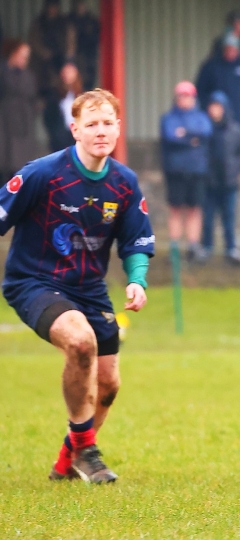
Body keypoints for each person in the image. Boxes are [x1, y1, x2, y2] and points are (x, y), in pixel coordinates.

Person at [0, 88, 155, 483]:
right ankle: (87, 450)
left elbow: (135, 240)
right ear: (75, 130)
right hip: (35, 282)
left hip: (89, 289)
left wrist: (137, 281)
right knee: (80, 342)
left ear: (118, 128)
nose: (100, 131)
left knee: (108, 383)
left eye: (107, 123)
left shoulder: (124, 183)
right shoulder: (42, 174)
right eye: (91, 124)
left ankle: (65, 463)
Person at [159, 81, 212, 260]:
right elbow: (170, 136)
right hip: (175, 171)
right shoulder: (169, 118)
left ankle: (193, 245)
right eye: (181, 96)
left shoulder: (201, 117)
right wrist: (192, 138)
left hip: (197, 171)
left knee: (194, 209)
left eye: (188, 96)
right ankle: (174, 246)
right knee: (175, 209)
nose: (185, 100)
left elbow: (206, 132)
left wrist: (185, 134)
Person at [198, 91, 240, 266]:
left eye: (218, 107)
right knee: (208, 218)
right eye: (212, 107)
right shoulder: (205, 130)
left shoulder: (235, 130)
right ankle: (206, 247)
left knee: (229, 218)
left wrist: (235, 167)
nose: (214, 111)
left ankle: (231, 249)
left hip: (229, 183)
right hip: (209, 183)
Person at [195, 33, 240, 136]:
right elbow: (201, 90)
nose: (230, 51)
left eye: (233, 48)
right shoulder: (210, 67)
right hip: (215, 120)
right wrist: (207, 108)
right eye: (228, 48)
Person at [0, 40, 40, 183]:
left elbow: (32, 96)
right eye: (22, 55)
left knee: (22, 162)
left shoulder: (28, 75)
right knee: (6, 158)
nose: (24, 60)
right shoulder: (3, 72)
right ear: (13, 54)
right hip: (5, 121)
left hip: (24, 121)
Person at [43, 61, 83, 152]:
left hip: (77, 136)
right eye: (65, 72)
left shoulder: (81, 94)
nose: (67, 75)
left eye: (70, 72)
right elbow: (48, 116)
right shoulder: (54, 94)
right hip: (60, 137)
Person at [66, 0, 100, 90]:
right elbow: (69, 43)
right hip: (76, 58)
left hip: (89, 58)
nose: (80, 7)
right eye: (78, 4)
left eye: (82, 4)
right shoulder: (70, 20)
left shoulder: (91, 21)